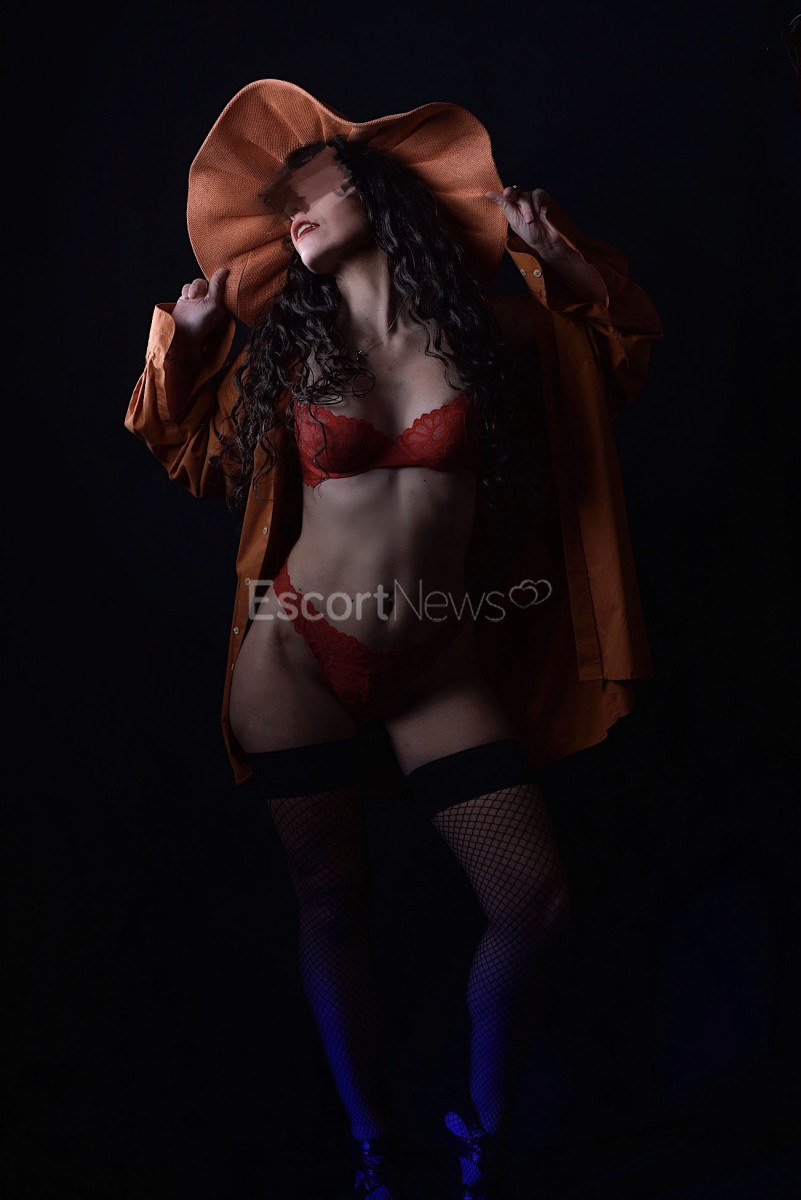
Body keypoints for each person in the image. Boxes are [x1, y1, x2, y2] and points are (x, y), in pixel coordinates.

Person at [126, 79, 662, 1200]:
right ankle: (371, 1143)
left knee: (533, 904)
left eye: (310, 192)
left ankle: (482, 1131)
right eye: (282, 207)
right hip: (294, 656)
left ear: (374, 194)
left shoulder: (487, 327)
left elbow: (610, 350)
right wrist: (192, 338)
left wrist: (556, 257)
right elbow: (189, 454)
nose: (291, 215)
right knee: (331, 902)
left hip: (436, 668)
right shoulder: (285, 348)